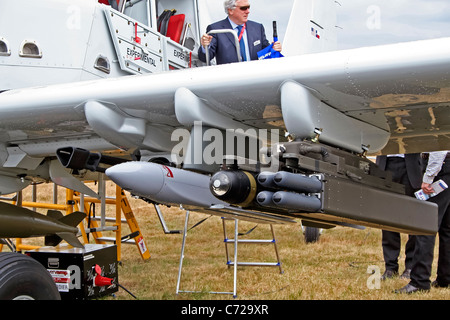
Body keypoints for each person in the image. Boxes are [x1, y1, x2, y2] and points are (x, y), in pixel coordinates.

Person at [396, 151, 450, 293]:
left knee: (425, 226)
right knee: (447, 229)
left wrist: (429, 177)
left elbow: (440, 147)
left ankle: (419, 281)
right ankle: (445, 278)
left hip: (441, 168)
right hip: (446, 167)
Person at [376, 154, 423, 280]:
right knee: (388, 220)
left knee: (412, 220)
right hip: (385, 165)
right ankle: (390, 267)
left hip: (410, 167)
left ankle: (410, 266)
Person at [198, 0, 282, 65]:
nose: (248, 11)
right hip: (230, 82)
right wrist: (205, 46)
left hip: (256, 79)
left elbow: (266, 54)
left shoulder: (257, 28)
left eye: (248, 7)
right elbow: (205, 58)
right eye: (243, 8)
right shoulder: (215, 29)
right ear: (230, 10)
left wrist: (274, 49)